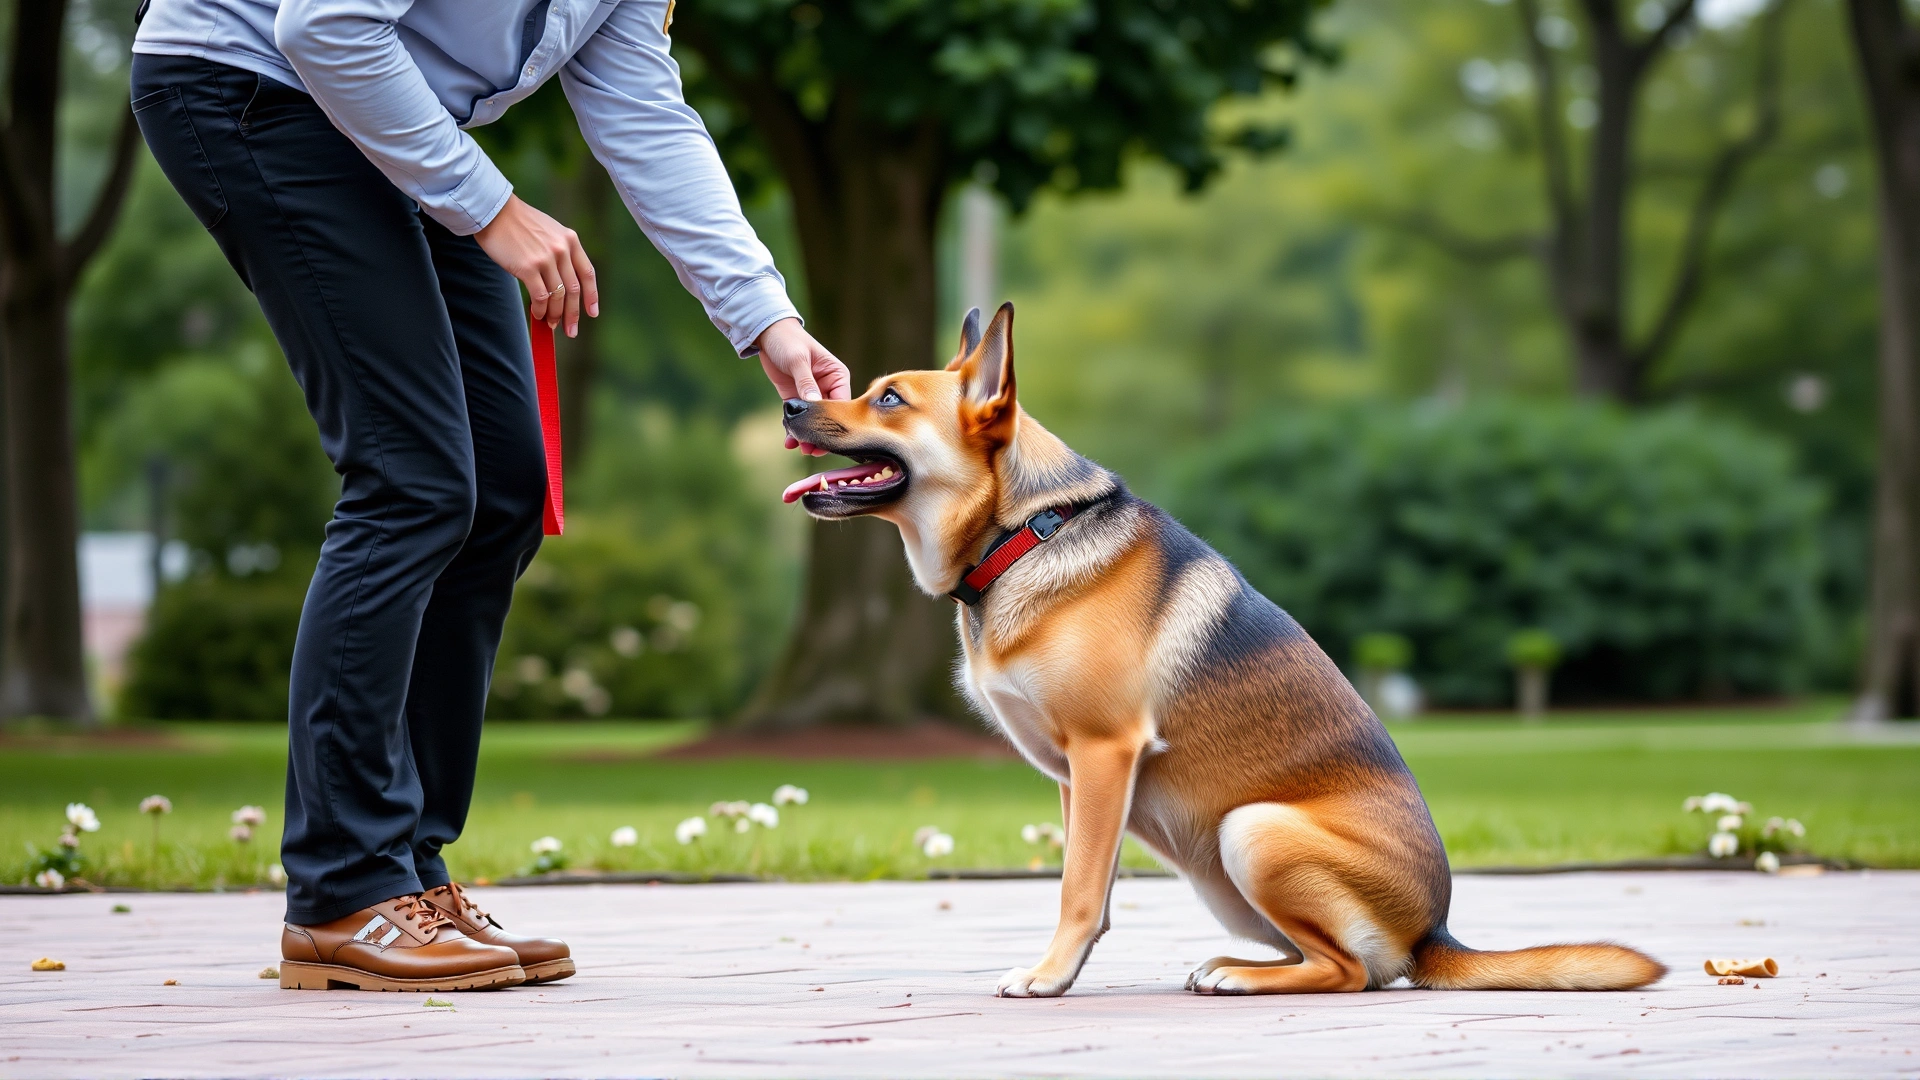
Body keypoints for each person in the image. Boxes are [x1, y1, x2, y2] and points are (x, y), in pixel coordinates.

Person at [130, 0, 849, 992]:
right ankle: (344, 888)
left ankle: (409, 875)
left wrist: (764, 316)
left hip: (393, 112)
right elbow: (324, 27)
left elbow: (643, 111)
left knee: (506, 484)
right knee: (413, 477)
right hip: (251, 89)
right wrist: (494, 209)